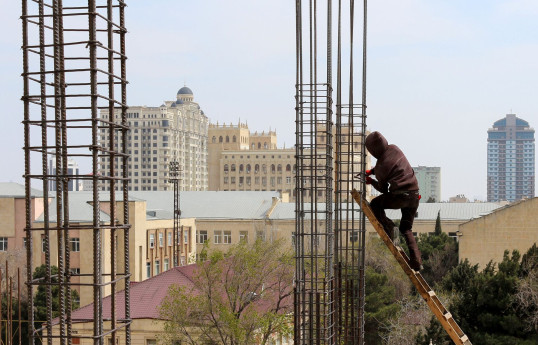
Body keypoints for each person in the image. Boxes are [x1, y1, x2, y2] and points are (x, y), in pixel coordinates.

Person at [364, 131, 422, 271]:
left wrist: (371, 181)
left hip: (400, 197)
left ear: (373, 151)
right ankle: (417, 262)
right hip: (414, 195)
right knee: (406, 228)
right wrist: (372, 172)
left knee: (375, 205)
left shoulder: (381, 167)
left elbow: (383, 190)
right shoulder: (394, 148)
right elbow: (390, 164)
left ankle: (390, 228)